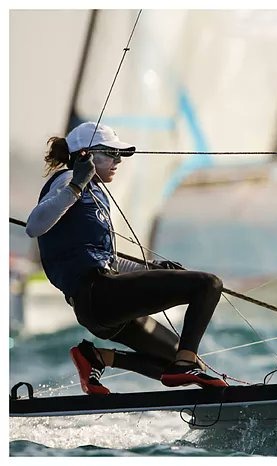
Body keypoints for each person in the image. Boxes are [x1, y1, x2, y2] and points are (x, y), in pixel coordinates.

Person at [26, 121, 228, 395]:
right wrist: (77, 184)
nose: (118, 161)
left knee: (177, 359)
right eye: (111, 154)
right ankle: (185, 364)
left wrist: (152, 268)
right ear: (85, 155)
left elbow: (108, 260)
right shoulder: (68, 181)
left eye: (119, 154)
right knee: (208, 284)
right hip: (96, 295)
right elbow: (34, 226)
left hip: (103, 303)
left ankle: (98, 358)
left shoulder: (96, 193)